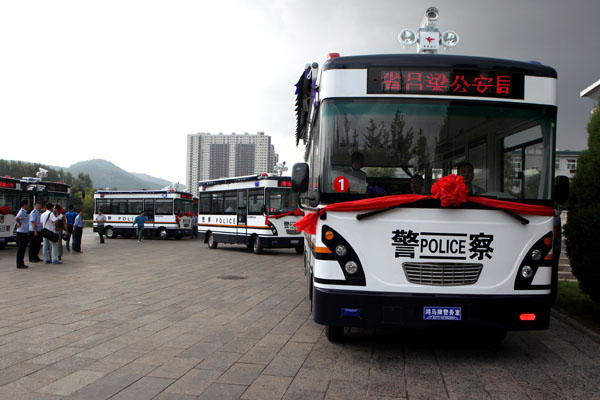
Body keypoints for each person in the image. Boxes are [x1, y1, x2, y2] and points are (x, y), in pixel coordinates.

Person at [15, 199, 30, 269]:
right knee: (21, 249)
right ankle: (19, 264)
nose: (28, 206)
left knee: (23, 249)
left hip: (23, 232)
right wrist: (19, 223)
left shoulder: (24, 211)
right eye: (27, 204)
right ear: (24, 205)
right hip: (21, 232)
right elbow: (16, 218)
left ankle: (21, 263)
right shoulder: (22, 211)